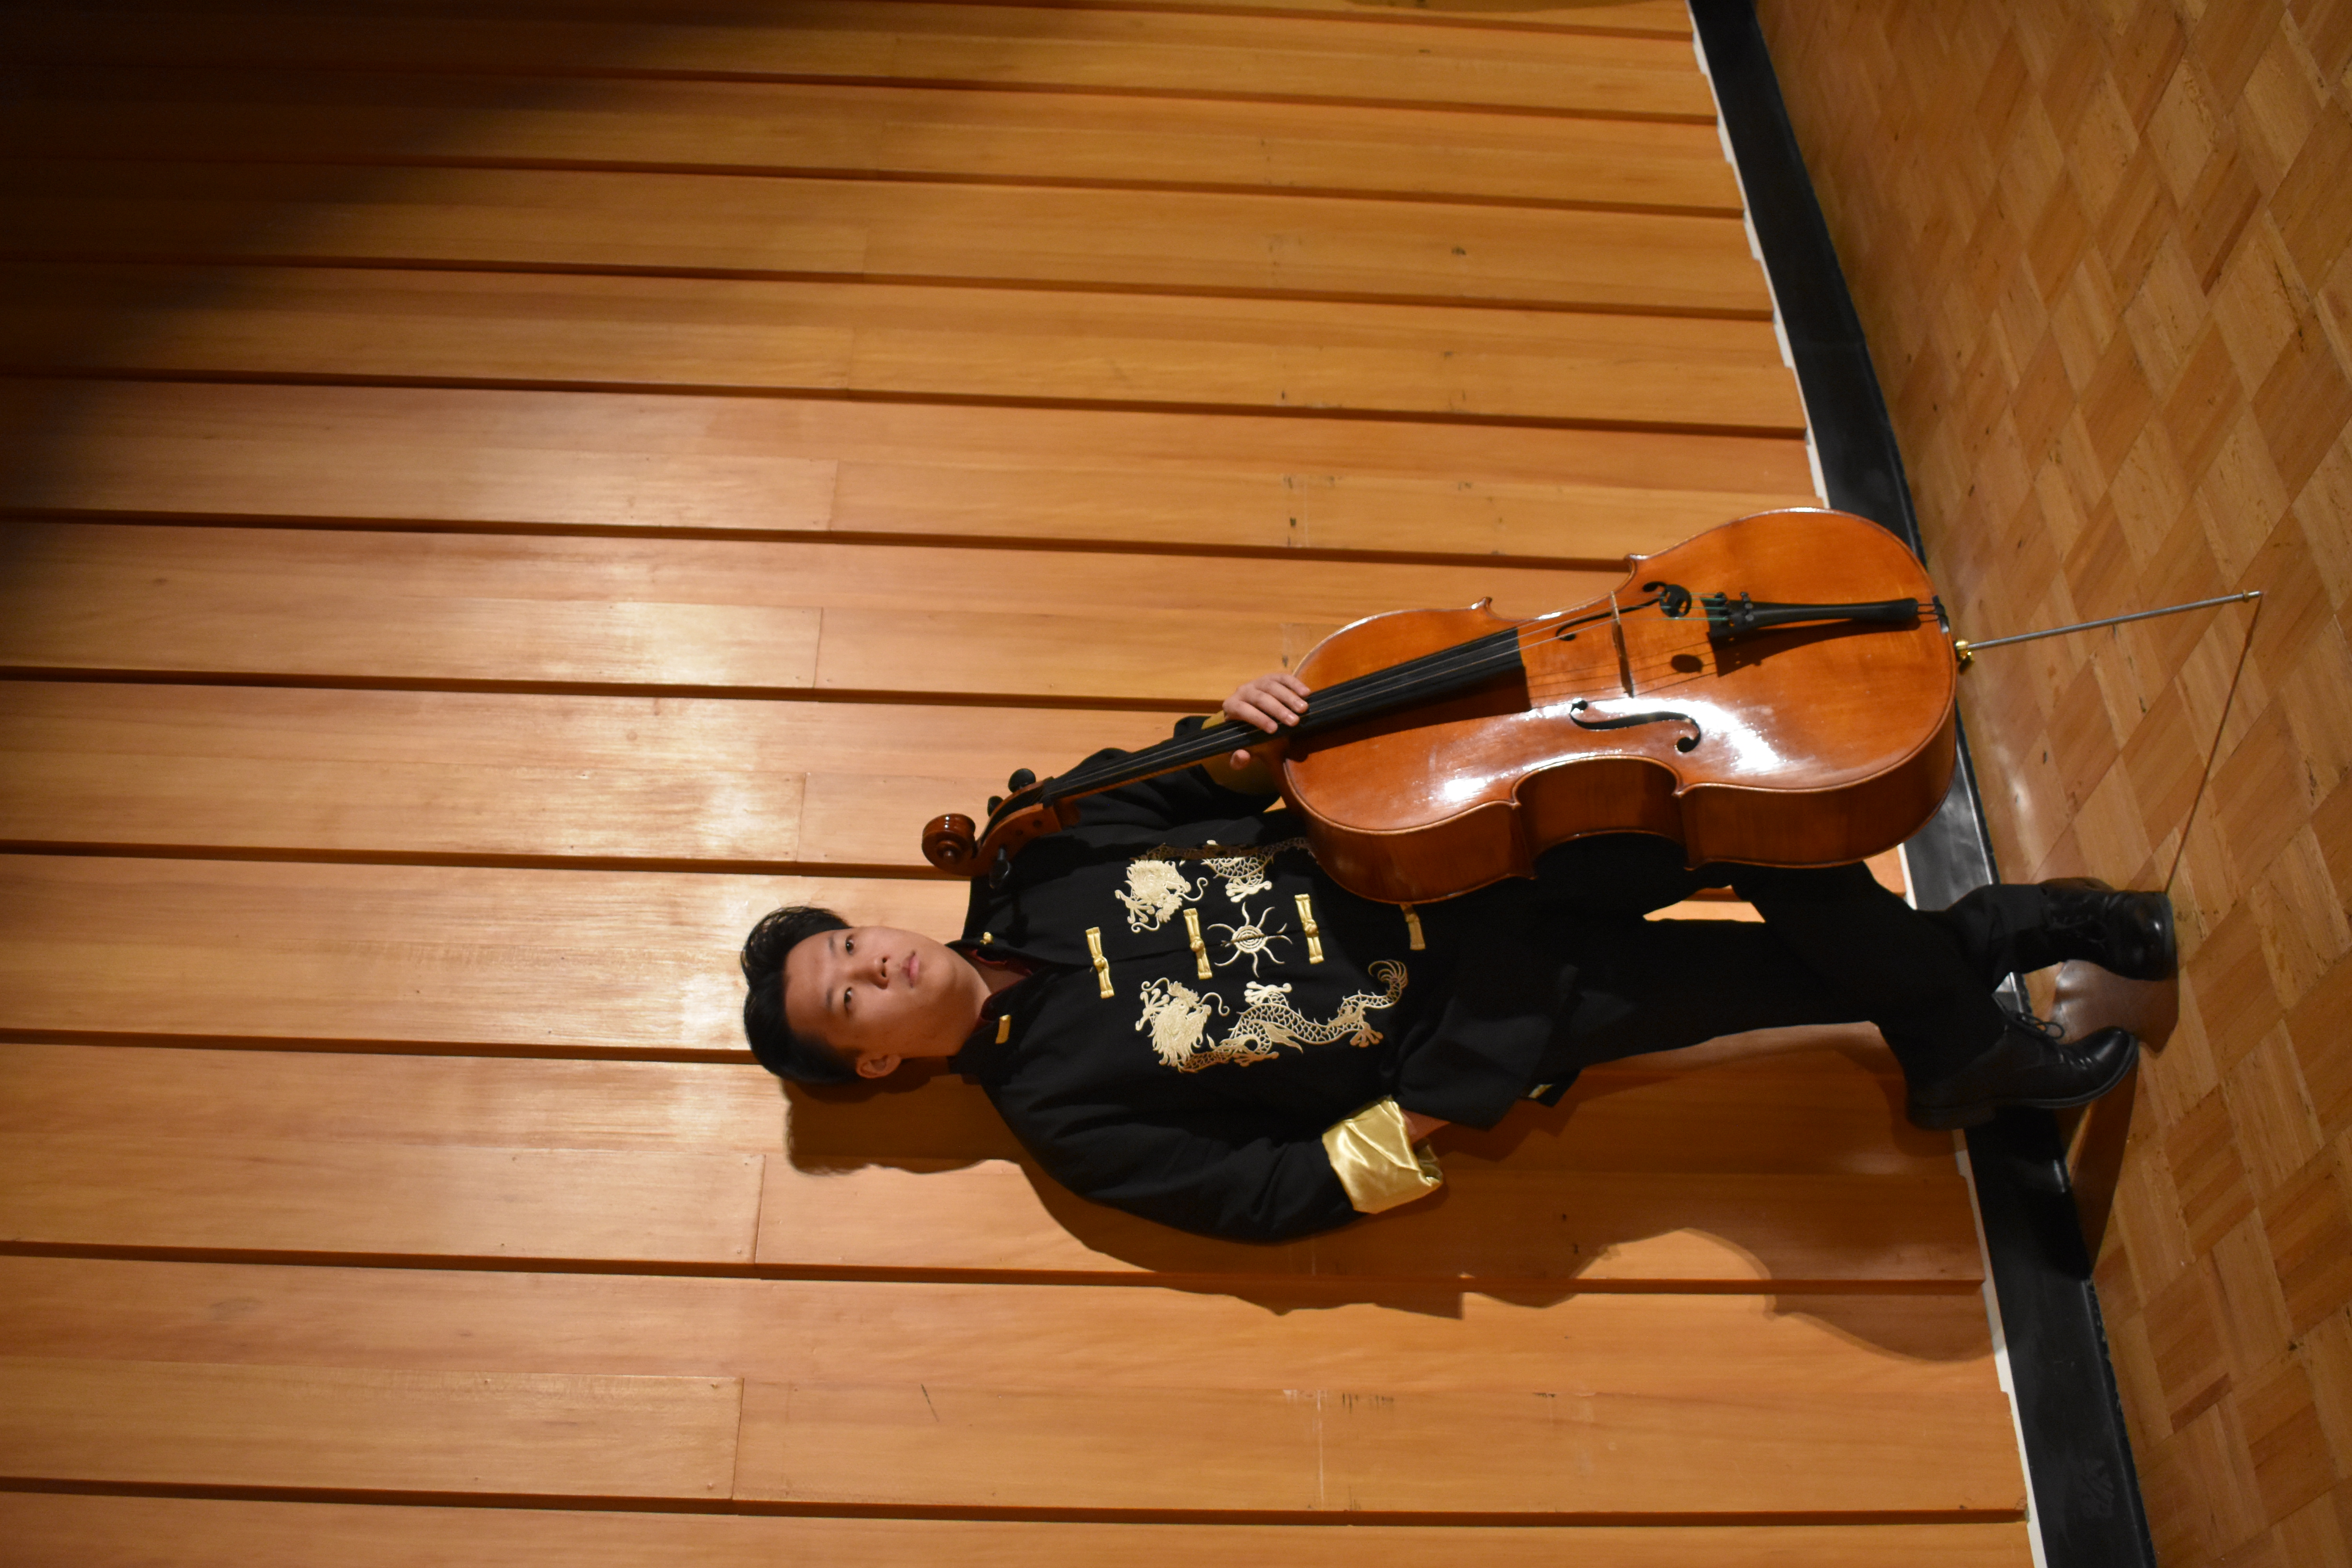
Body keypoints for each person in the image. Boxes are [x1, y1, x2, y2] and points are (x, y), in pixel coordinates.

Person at [739, 673, 2169, 1242]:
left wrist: (1250, 729)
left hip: (1470, 854)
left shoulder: (1037, 855)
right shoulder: (1066, 1124)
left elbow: (1207, 772)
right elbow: (1273, 1195)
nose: (879, 964)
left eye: (853, 941)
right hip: (1489, 1019)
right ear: (873, 1062)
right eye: (850, 995)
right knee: (1785, 980)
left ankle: (1972, 1035)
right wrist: (1430, 1112)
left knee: (1755, 828)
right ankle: (2024, 952)